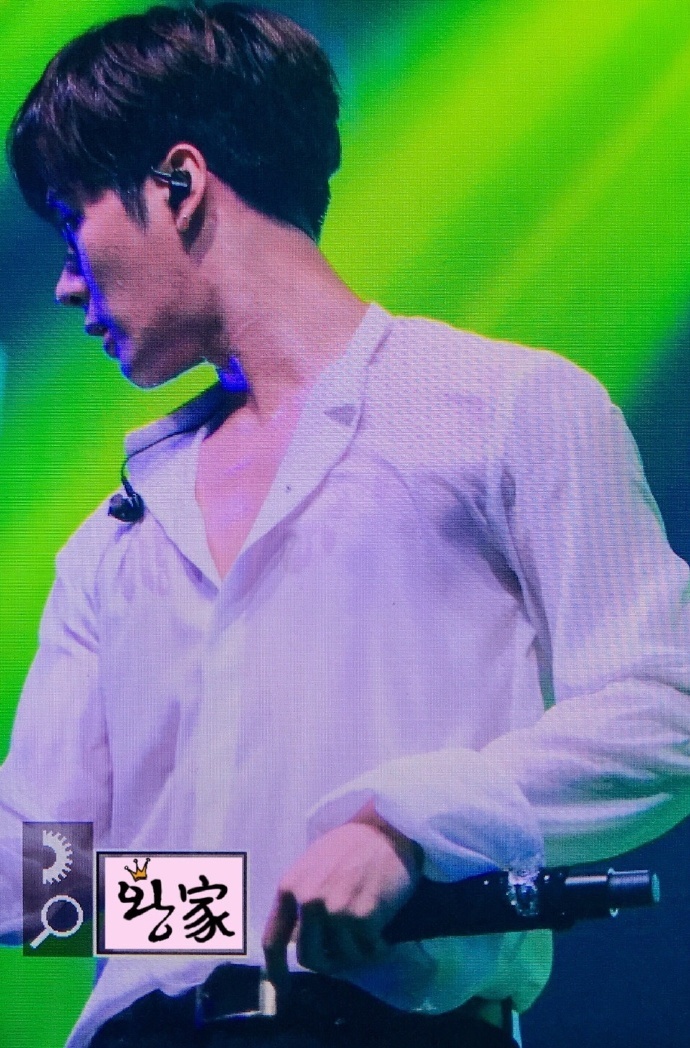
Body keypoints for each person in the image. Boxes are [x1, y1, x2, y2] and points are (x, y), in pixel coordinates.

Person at [2, 3, 690, 1046]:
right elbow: (37, 877)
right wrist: (240, 903)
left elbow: (666, 699)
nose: (64, 282)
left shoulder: (506, 407)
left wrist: (407, 830)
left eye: (70, 221)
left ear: (180, 184)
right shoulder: (112, 537)